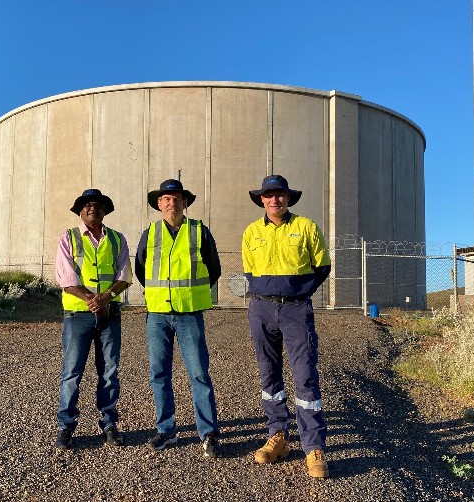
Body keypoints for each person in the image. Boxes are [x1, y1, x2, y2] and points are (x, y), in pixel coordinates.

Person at [242, 174, 332, 479]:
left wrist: (299, 291)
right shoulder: (252, 232)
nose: (274, 200)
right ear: (262, 200)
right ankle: (278, 436)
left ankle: (313, 447)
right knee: (269, 373)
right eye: (269, 195)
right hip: (261, 308)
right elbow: (249, 271)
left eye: (280, 195)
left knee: (305, 374)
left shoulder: (306, 227)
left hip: (296, 310)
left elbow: (322, 266)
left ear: (288, 198)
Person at [135, 179, 222, 458]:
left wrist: (188, 295)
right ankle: (166, 430)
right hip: (158, 314)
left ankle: (208, 433)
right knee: (159, 374)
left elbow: (214, 269)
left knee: (198, 373)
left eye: (177, 198)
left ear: (185, 202)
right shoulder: (150, 234)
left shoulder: (199, 231)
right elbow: (140, 269)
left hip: (188, 315)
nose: (172, 203)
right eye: (166, 199)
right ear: (159, 204)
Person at [54, 189, 131, 449]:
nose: (92, 209)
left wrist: (106, 298)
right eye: (86, 205)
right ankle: (66, 426)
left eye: (97, 205)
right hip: (78, 315)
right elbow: (66, 279)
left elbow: (124, 275)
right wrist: (93, 300)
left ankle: (109, 424)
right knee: (72, 372)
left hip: (110, 315)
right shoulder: (70, 238)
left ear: (105, 210)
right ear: (79, 211)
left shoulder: (117, 239)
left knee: (109, 372)